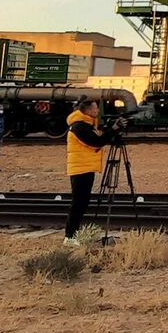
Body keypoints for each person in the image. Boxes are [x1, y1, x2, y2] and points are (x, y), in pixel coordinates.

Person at [63, 97, 108, 242]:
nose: (98, 110)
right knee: (78, 203)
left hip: (85, 168)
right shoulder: (79, 127)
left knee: (81, 202)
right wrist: (112, 131)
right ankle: (70, 236)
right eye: (96, 108)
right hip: (80, 169)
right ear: (88, 110)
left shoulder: (86, 125)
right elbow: (96, 142)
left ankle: (72, 235)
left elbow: (98, 140)